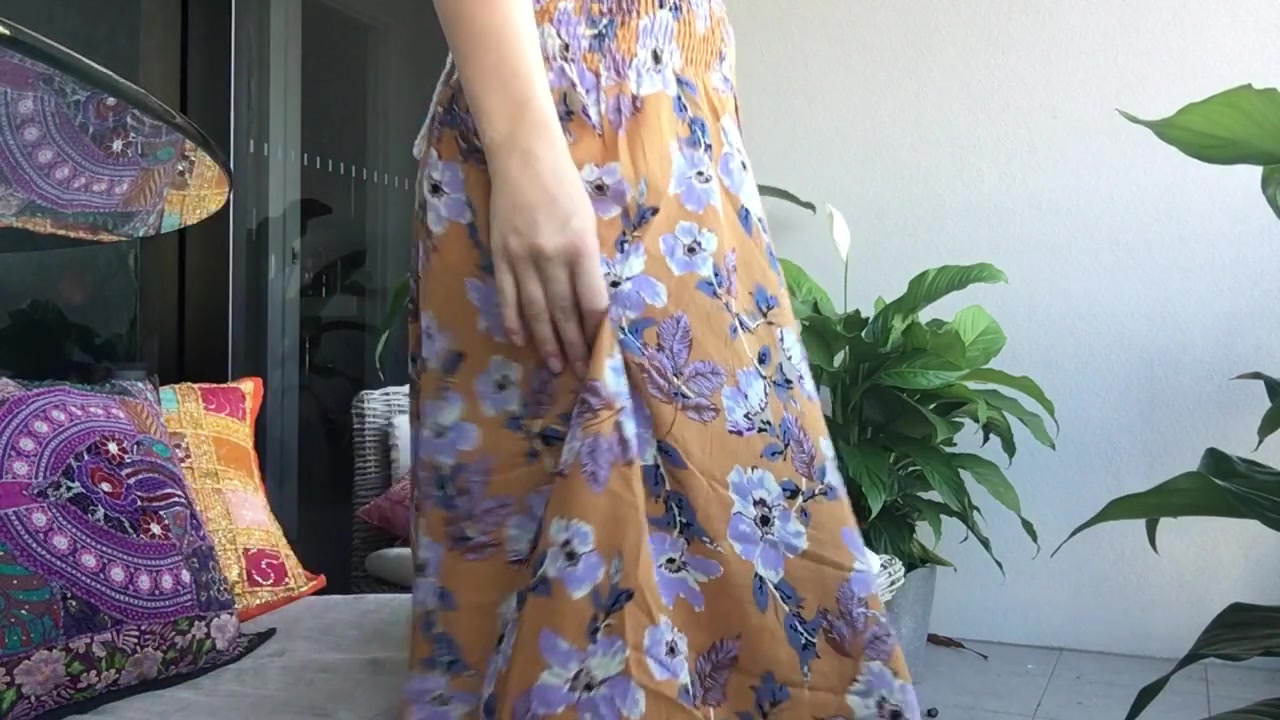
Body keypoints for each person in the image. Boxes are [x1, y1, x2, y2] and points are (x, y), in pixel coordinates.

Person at [406, 1, 920, 718]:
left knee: (727, 587)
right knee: (553, 599)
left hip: (679, 118)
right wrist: (526, 152)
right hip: (579, 124)